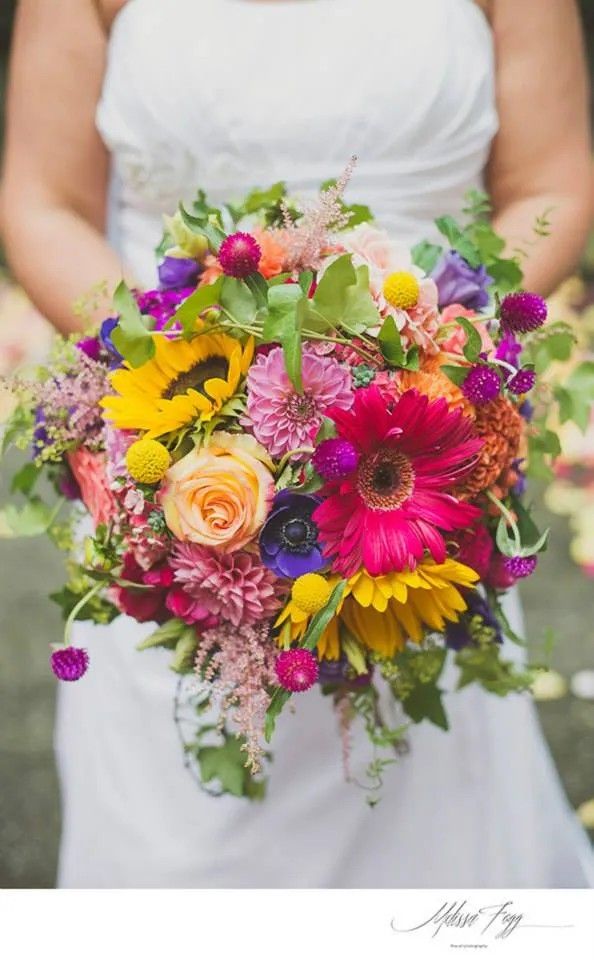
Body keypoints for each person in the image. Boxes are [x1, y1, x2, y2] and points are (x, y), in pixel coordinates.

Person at [2, 0, 594, 888]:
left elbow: (552, 183)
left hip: (418, 447)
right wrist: (194, 383)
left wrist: (426, 357)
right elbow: (43, 199)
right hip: (166, 430)